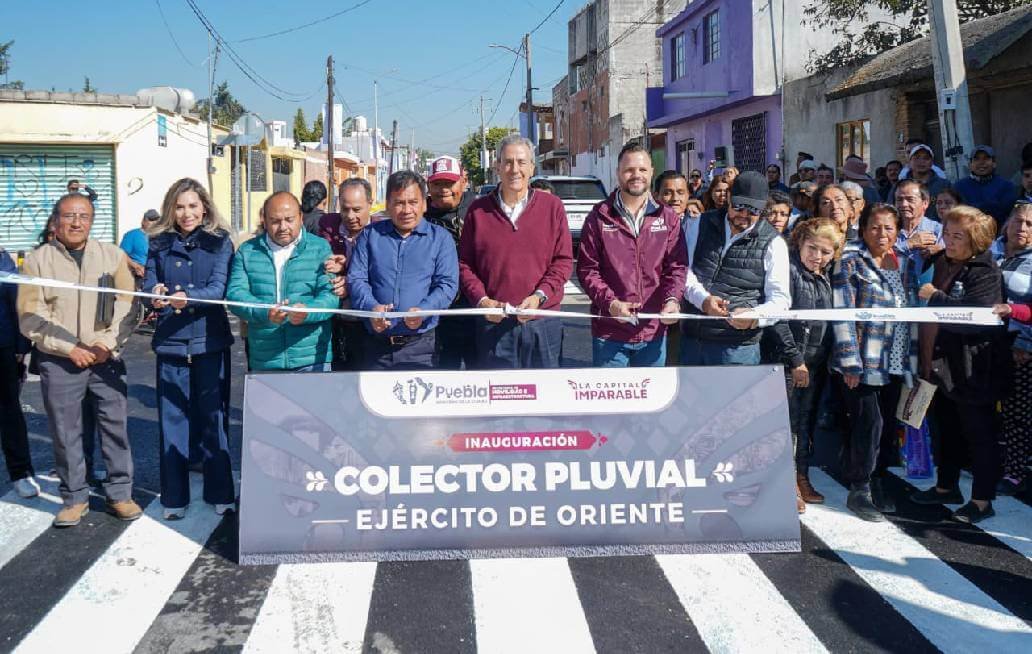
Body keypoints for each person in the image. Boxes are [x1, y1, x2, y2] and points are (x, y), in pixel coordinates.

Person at [17, 193, 142, 527]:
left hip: (105, 357)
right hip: (59, 360)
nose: (76, 223)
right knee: (65, 431)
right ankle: (74, 497)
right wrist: (69, 348)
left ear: (92, 221)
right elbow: (30, 316)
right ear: (56, 221)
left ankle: (120, 494)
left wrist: (106, 344)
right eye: (69, 216)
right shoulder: (37, 261)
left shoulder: (112, 256)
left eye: (84, 216)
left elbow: (129, 304)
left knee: (115, 427)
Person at [143, 178, 235, 520]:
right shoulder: (158, 242)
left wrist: (188, 297)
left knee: (214, 420)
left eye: (193, 206)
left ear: (205, 207)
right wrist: (154, 293)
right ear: (171, 209)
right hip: (170, 342)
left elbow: (219, 289)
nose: (186, 213)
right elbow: (148, 283)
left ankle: (221, 492)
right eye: (179, 207)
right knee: (173, 422)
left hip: (209, 341)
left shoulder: (220, 242)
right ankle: (174, 497)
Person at [911, 206, 1007, 524]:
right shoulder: (941, 260)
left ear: (975, 239)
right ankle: (946, 487)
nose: (949, 241)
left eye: (957, 236)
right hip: (940, 365)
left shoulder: (985, 271)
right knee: (946, 430)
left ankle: (981, 501)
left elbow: (974, 319)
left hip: (971, 369)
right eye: (947, 234)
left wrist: (936, 297)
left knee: (979, 435)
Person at [831, 203, 919, 522]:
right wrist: (850, 363)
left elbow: (913, 312)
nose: (882, 234)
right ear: (864, 229)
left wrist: (914, 364)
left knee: (889, 426)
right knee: (868, 423)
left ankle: (878, 478)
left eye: (889, 228)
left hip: (897, 358)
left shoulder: (906, 261)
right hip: (863, 359)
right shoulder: (849, 260)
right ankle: (859, 488)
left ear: (898, 231)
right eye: (875, 227)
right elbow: (842, 313)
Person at [459, 135, 573, 369]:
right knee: (498, 391)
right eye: (508, 162)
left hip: (543, 322)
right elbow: (464, 264)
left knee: (545, 390)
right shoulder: (477, 211)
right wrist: (482, 301)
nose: (514, 169)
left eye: (521, 162)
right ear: (497, 167)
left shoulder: (552, 207)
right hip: (494, 325)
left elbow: (562, 261)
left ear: (532, 168)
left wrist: (539, 297)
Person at [577, 143, 688, 367]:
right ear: (618, 173)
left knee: (652, 392)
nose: (636, 175)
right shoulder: (599, 217)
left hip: (653, 333)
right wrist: (611, 303)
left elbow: (676, 268)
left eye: (642, 169)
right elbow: (588, 270)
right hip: (609, 334)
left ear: (651, 172)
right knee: (611, 392)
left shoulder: (667, 218)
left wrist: (672, 300)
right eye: (629, 170)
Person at [763, 219, 844, 512]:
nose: (817, 256)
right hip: (787, 363)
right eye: (812, 248)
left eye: (825, 251)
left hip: (816, 364)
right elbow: (778, 319)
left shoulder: (828, 277)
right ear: (799, 243)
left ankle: (801, 476)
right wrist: (795, 360)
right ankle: (786, 484)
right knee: (785, 425)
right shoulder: (789, 272)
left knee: (805, 423)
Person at [348, 171, 458, 370]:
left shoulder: (440, 239)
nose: (407, 210)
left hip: (421, 348)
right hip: (375, 346)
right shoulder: (369, 236)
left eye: (413, 202)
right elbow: (356, 279)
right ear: (388, 205)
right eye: (399, 203)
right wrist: (371, 308)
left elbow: (447, 285)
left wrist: (424, 310)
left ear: (424, 204)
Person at [680, 171, 791, 365]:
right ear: (729, 198)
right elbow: (683, 270)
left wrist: (755, 317)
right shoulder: (699, 224)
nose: (744, 215)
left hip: (737, 348)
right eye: (739, 207)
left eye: (753, 210)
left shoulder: (774, 243)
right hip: (691, 341)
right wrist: (703, 300)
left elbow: (780, 299)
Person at [226, 192, 337, 372]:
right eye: (275, 221)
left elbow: (330, 296)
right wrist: (266, 312)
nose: (283, 227)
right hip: (265, 358)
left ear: (301, 218)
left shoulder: (320, 248)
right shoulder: (247, 251)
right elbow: (235, 295)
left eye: (289, 220)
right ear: (264, 220)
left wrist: (307, 311)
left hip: (311, 358)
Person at [990, 203, 1032, 496]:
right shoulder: (991, 252)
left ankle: (1015, 472)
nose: (1022, 228)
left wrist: (1025, 343)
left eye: (1030, 224)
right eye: (1018, 221)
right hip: (988, 345)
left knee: (1018, 413)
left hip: (1021, 349)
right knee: (990, 410)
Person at [425, 156, 478, 370]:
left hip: (477, 310)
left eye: (450, 183)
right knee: (443, 376)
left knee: (481, 377)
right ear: (428, 185)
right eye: (437, 184)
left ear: (463, 182)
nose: (444, 189)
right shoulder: (419, 214)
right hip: (437, 315)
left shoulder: (480, 210)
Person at [317, 178, 373, 371]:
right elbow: (318, 265)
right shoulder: (328, 226)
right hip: (336, 320)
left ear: (370, 204)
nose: (350, 216)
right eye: (345, 209)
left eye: (357, 210)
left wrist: (350, 279)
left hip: (368, 322)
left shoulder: (382, 232)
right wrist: (331, 270)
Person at [1, 245, 36, 498]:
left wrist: (21, 346)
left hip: (2, 345)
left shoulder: (2, 260)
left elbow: (17, 302)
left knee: (9, 412)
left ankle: (20, 472)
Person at [953, 145, 1017, 226]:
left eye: (986, 158)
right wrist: (991, 206)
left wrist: (971, 208)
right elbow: (957, 213)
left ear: (994, 163)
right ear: (970, 165)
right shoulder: (958, 187)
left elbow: (1005, 212)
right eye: (976, 159)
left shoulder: (1006, 186)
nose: (981, 162)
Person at [895, 179, 944, 275]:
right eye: (899, 200)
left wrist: (941, 251)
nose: (903, 204)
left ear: (925, 203)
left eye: (910, 200)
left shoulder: (938, 231)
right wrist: (908, 244)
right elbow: (878, 257)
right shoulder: (887, 229)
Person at [897, 144, 951, 220]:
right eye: (917, 158)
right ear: (909, 162)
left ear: (932, 162)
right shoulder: (900, 186)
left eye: (926, 158)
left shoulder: (944, 185)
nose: (921, 162)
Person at [119, 209, 158, 280]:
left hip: (154, 275)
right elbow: (121, 254)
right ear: (143, 221)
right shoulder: (132, 235)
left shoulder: (159, 236)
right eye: (151, 220)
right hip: (137, 275)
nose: (154, 223)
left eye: (156, 220)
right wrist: (136, 266)